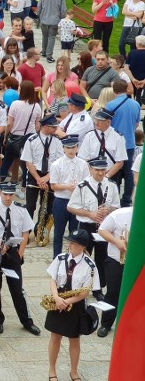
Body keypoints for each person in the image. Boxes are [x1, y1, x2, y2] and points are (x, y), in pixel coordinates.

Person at [45, 229, 101, 381]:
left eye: (74, 243)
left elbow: (85, 292)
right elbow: (53, 279)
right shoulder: (61, 258)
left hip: (75, 303)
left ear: (83, 247)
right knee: (55, 336)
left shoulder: (90, 265)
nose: (70, 245)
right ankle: (52, 370)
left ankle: (74, 371)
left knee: (74, 338)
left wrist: (67, 302)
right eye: (70, 242)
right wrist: (56, 297)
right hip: (58, 299)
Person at [66, 157, 120, 292]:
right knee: (83, 256)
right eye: (97, 170)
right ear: (90, 170)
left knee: (102, 259)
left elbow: (117, 207)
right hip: (86, 226)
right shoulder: (82, 186)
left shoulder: (112, 185)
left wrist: (108, 210)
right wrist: (90, 214)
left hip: (104, 227)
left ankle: (98, 288)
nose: (100, 173)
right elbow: (71, 207)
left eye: (103, 170)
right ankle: (80, 287)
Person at [0, 183, 42, 335]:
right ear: (0, 193)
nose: (8, 198)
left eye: (11, 194)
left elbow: (25, 231)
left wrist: (20, 253)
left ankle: (26, 321)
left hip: (13, 253)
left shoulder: (21, 210)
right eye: (5, 194)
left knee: (17, 289)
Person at [96, 206, 131, 338]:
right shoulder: (119, 214)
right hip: (116, 261)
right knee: (112, 293)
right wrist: (117, 241)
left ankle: (129, 324)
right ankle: (105, 324)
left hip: (137, 265)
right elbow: (102, 230)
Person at [21, 114, 63, 221]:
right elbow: (28, 162)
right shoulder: (31, 140)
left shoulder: (57, 141)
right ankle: (27, 231)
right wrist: (38, 179)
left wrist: (47, 178)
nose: (56, 129)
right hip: (34, 174)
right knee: (30, 206)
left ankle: (39, 233)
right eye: (53, 127)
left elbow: (58, 163)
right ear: (44, 126)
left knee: (47, 207)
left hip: (50, 175)